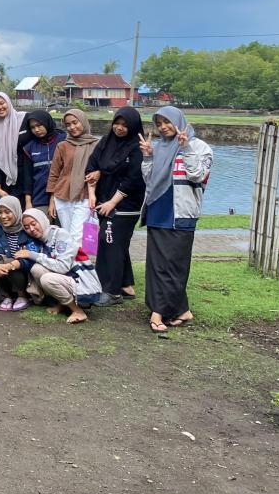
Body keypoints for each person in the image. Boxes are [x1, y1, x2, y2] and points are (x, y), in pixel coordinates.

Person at [141, 106, 212, 333]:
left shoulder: (201, 147)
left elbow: (197, 176)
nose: (163, 127)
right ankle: (182, 310)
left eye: (166, 122)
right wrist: (148, 156)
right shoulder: (159, 146)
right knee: (156, 265)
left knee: (175, 266)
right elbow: (149, 179)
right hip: (157, 210)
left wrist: (186, 148)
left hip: (181, 214)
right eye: (159, 123)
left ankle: (158, 312)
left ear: (178, 121)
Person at [86, 107, 145, 305]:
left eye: (125, 125)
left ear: (134, 126)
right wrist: (92, 195)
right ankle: (126, 285)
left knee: (107, 241)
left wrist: (112, 202)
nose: (119, 128)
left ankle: (111, 291)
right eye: (117, 123)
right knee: (116, 244)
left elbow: (133, 179)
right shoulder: (105, 141)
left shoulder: (137, 147)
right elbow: (92, 166)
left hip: (126, 204)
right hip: (103, 200)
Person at [14, 208, 87, 324]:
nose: (31, 229)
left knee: (46, 279)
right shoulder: (41, 239)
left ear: (42, 220)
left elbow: (63, 267)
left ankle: (78, 311)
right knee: (36, 269)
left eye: (33, 224)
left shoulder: (60, 235)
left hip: (82, 283)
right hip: (67, 280)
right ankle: (61, 304)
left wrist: (32, 255)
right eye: (26, 227)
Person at [46, 108, 98, 232]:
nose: (72, 127)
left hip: (85, 195)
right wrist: (52, 201)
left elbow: (104, 167)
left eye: (75, 122)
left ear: (83, 122)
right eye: (68, 124)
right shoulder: (62, 145)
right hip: (63, 196)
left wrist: (98, 172)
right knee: (67, 235)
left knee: (77, 236)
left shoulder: (97, 145)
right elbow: (54, 174)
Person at [0, 196, 33, 311]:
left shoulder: (27, 229)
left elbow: (30, 257)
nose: (3, 216)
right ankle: (7, 296)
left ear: (16, 211)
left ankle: (22, 295)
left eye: (8, 212)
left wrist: (8, 265)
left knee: (13, 262)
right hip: (2, 270)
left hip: (23, 274)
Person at [20, 110, 65, 212]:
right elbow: (28, 178)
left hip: (63, 197)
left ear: (47, 122)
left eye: (39, 125)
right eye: (32, 127)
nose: (36, 129)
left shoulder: (63, 140)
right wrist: (28, 202)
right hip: (40, 199)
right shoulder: (29, 148)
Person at [0, 91, 26, 200]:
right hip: (5, 183)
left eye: (2, 103)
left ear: (8, 102)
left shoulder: (25, 119)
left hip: (27, 180)